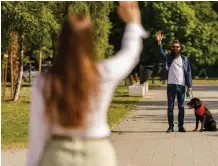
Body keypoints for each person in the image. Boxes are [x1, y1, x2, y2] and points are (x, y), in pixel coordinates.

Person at [25, 2, 147, 166]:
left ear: (62, 42)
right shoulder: (103, 74)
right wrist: (133, 23)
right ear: (90, 41)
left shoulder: (45, 82)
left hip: (58, 153)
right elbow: (130, 54)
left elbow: (37, 134)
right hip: (97, 153)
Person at [156, 31, 192, 133]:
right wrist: (159, 43)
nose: (175, 48)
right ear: (171, 48)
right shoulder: (168, 57)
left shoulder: (184, 59)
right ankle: (171, 127)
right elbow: (161, 53)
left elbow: (188, 72)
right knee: (170, 107)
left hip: (181, 86)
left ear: (180, 48)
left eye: (177, 47)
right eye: (174, 47)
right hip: (171, 86)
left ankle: (181, 126)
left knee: (181, 107)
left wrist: (189, 85)